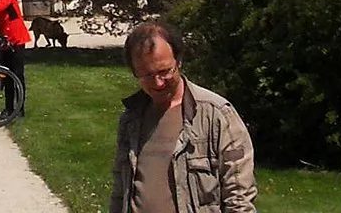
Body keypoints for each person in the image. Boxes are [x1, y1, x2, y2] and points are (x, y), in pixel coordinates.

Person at [110, 19, 256, 213]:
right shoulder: (131, 119)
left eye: (164, 72)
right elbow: (120, 192)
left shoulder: (216, 114)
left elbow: (239, 197)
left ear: (178, 61)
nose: (158, 83)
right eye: (146, 75)